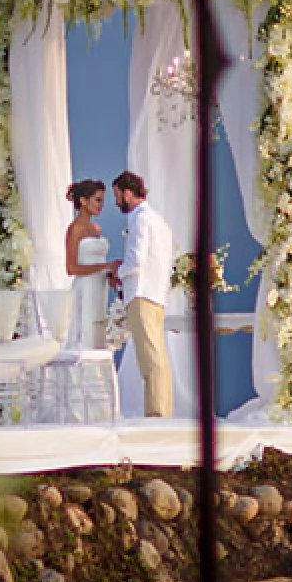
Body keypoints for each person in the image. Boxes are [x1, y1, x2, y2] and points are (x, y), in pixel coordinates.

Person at [111, 171, 173, 417]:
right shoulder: (159, 220)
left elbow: (136, 260)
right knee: (158, 356)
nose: (117, 203)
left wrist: (119, 272)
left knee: (150, 360)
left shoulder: (140, 218)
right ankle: (163, 412)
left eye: (117, 196)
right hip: (157, 293)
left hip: (141, 293)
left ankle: (157, 415)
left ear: (128, 193)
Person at [63, 180, 116, 348]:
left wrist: (110, 274)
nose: (101, 205)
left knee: (98, 328)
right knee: (85, 331)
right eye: (97, 200)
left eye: (102, 201)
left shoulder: (96, 228)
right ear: (83, 201)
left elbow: (99, 262)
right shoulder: (75, 229)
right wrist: (105, 267)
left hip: (100, 287)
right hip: (85, 287)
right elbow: (71, 268)